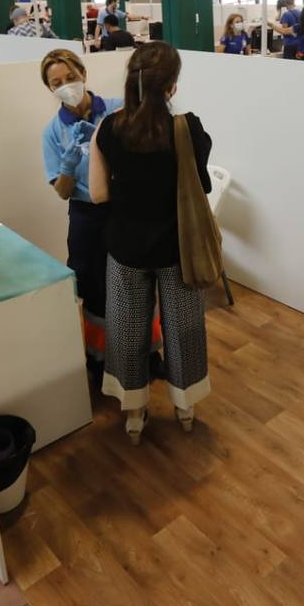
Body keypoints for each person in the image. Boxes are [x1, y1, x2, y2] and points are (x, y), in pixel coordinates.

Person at [90, 41, 213, 444]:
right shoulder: (188, 128)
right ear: (172, 86)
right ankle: (185, 406)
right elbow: (202, 186)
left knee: (126, 329)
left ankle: (134, 412)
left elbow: (98, 195)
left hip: (125, 247)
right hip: (177, 248)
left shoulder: (108, 128)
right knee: (183, 329)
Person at [39, 48, 123, 367]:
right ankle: (100, 358)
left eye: (71, 77)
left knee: (136, 280)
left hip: (122, 209)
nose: (66, 86)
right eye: (57, 82)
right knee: (93, 286)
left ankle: (147, 351)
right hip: (86, 216)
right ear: (50, 89)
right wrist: (68, 165)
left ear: (84, 74)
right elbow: (61, 192)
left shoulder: (117, 109)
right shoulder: (53, 132)